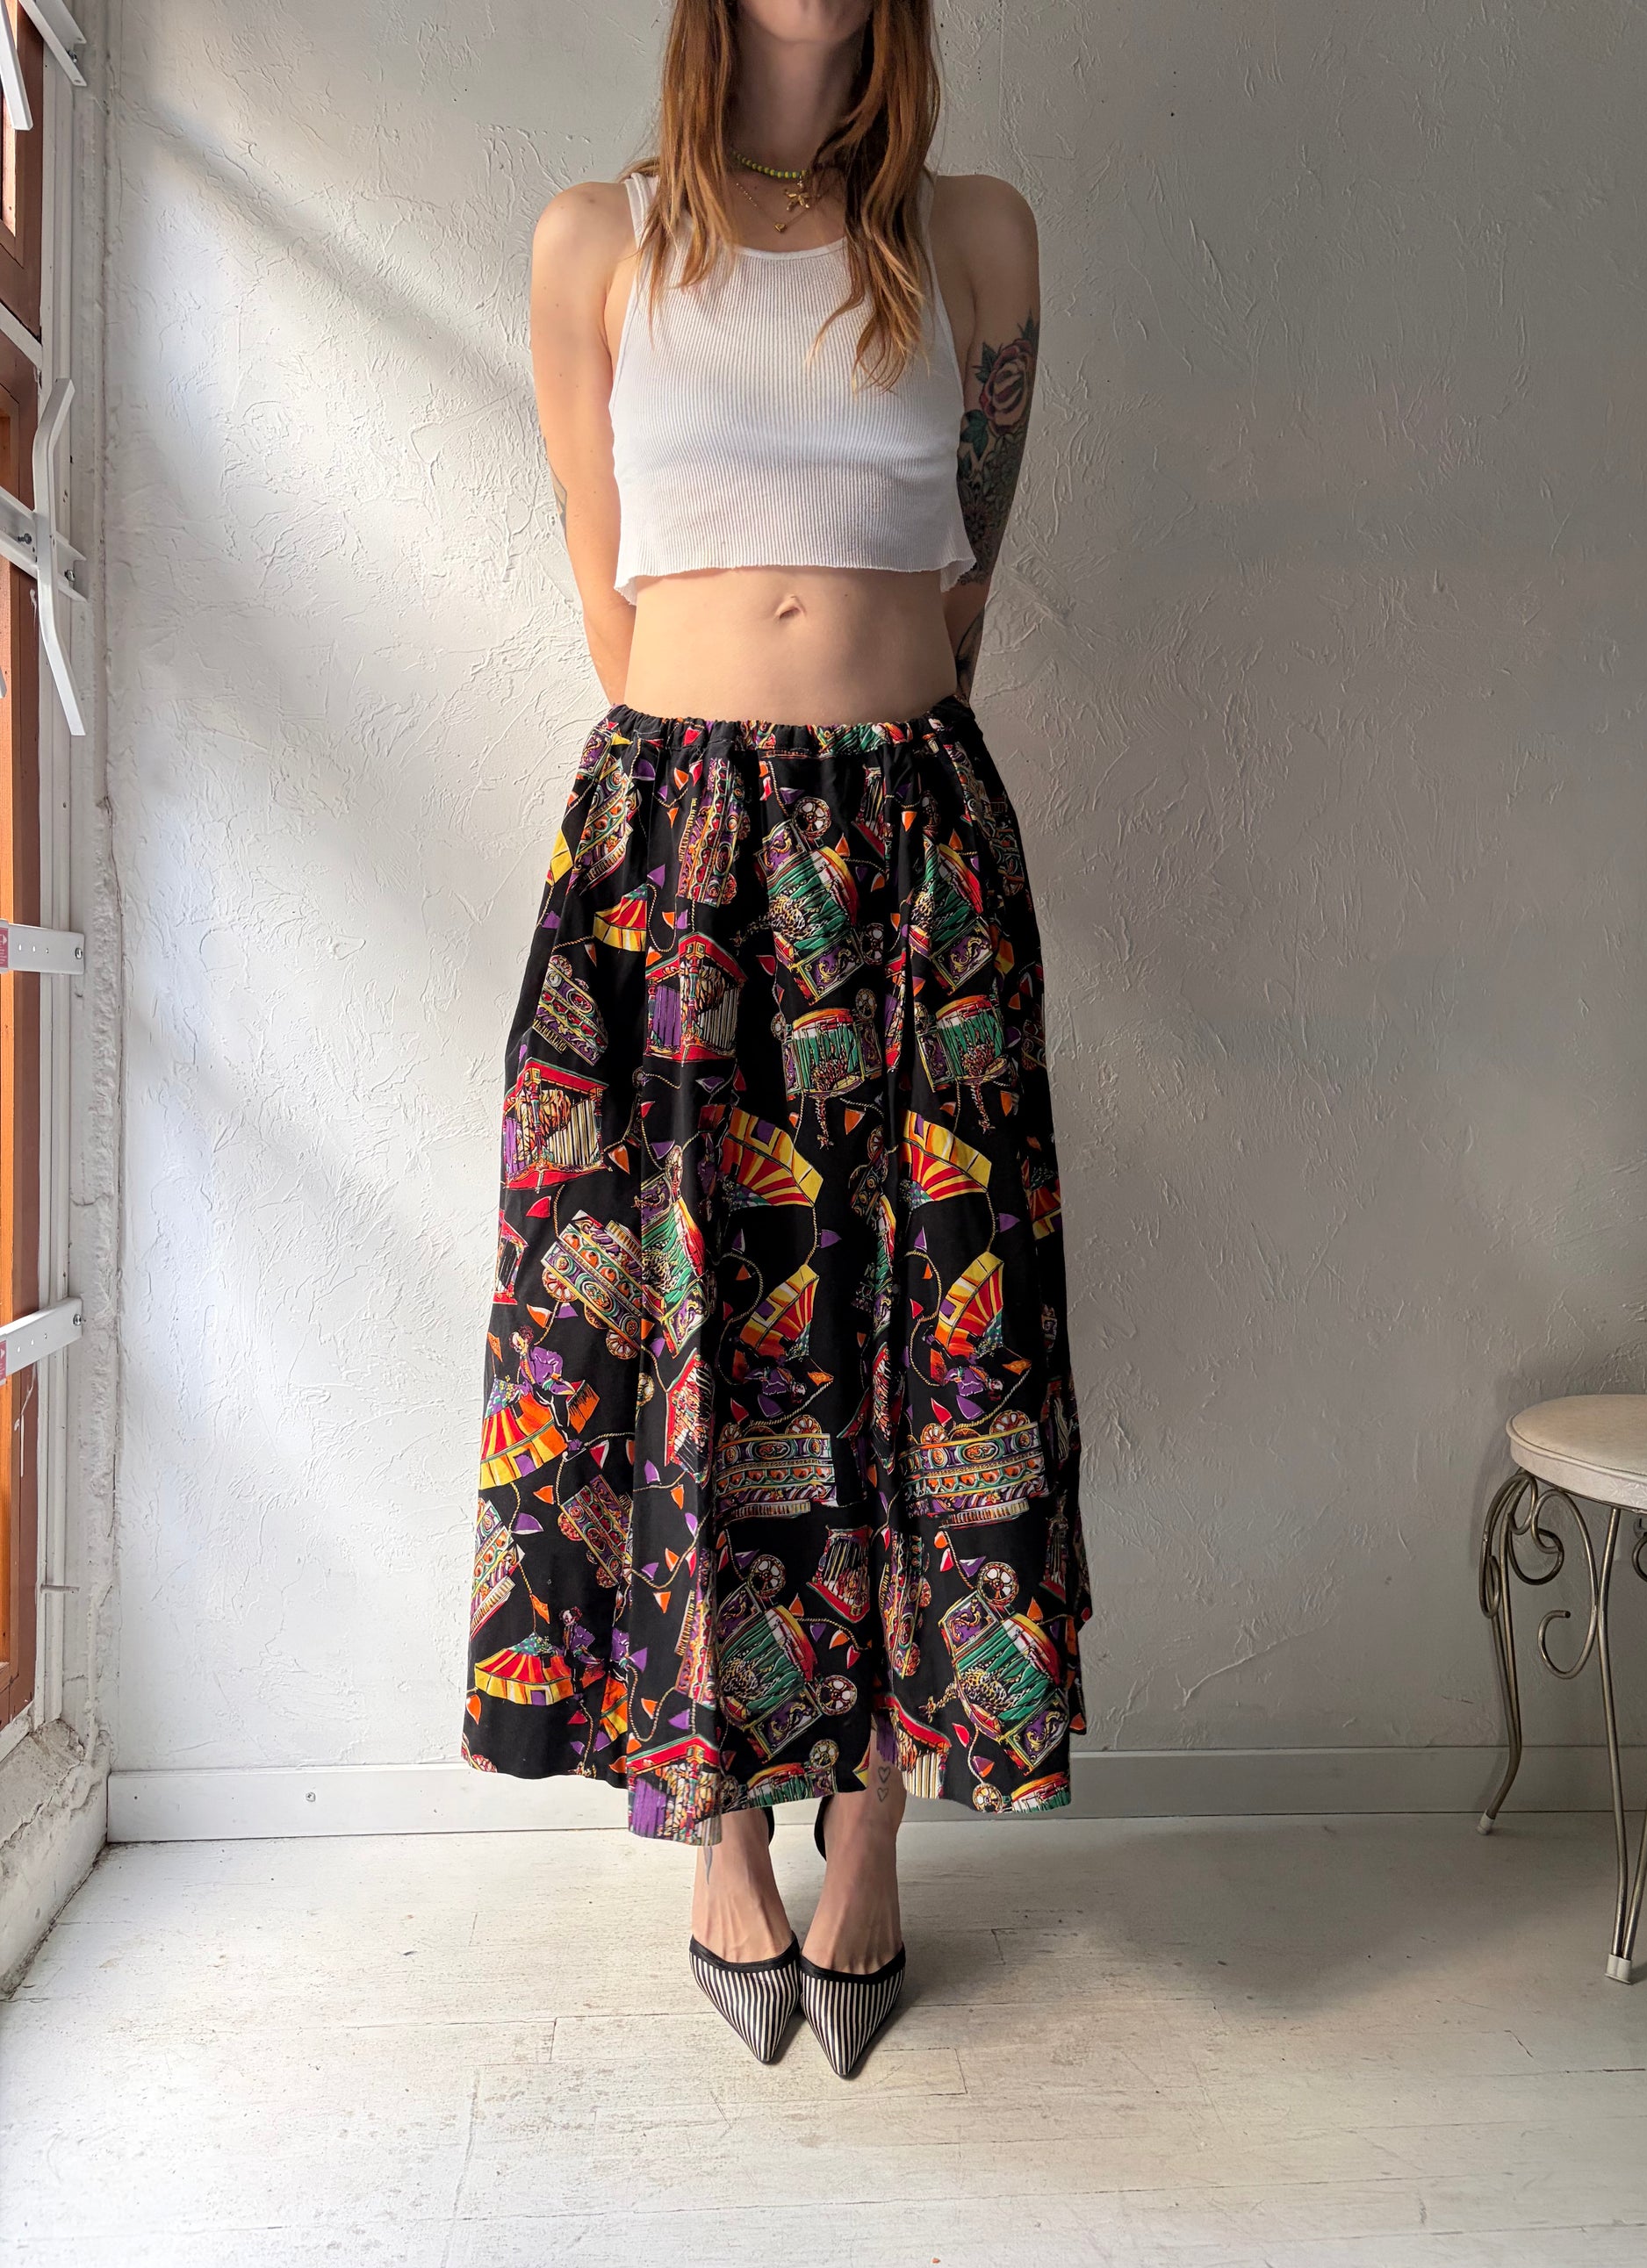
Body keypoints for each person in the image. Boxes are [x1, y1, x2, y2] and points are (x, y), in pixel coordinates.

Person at [461, 0, 1091, 2079]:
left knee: (929, 1327)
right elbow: (606, 593)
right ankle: (722, 1822)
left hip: (914, 851)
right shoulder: (597, 242)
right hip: (673, 856)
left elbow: (962, 584)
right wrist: (730, 793)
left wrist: (850, 758)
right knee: (686, 1325)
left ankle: (874, 1817)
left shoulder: (976, 239)